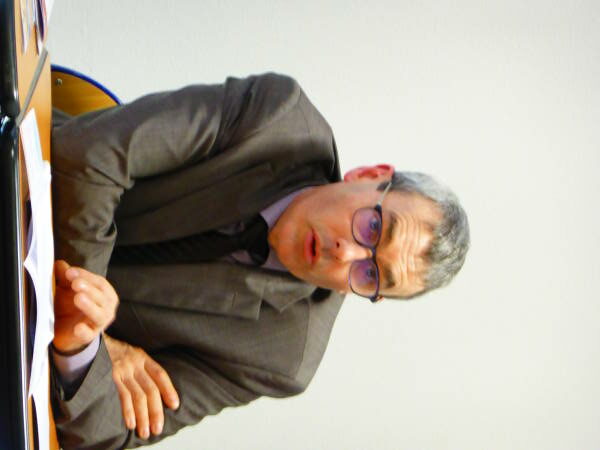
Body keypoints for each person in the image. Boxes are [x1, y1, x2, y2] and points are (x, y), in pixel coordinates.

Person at [50, 73, 469, 449]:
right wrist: (92, 321)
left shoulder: (283, 358)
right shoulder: (276, 118)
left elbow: (107, 432)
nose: (346, 253)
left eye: (371, 273)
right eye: (375, 227)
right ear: (368, 175)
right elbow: (88, 154)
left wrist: (81, 345)